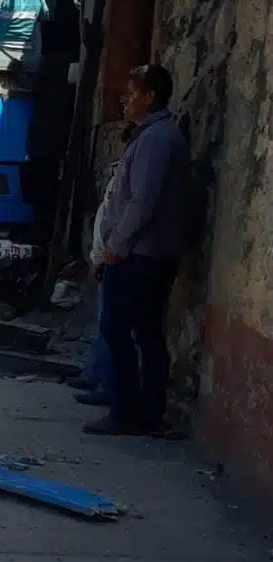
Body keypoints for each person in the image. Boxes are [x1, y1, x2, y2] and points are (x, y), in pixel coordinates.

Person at [83, 65, 188, 436]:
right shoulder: (151, 136)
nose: (124, 100)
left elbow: (142, 201)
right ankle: (143, 411)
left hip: (140, 254)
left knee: (121, 328)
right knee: (141, 331)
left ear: (150, 97)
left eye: (131, 93)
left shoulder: (158, 138)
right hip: (142, 251)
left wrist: (117, 245)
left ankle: (129, 410)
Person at [68, 123, 136, 406]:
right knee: (102, 322)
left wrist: (109, 251)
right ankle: (95, 374)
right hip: (105, 254)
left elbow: (121, 217)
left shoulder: (130, 175)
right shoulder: (120, 173)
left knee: (112, 326)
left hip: (115, 255)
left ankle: (108, 385)